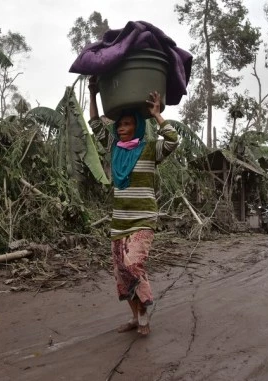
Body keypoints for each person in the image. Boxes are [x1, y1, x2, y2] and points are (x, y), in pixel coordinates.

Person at [88, 76, 180, 335]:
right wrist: (94, 93)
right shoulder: (114, 149)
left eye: (127, 124)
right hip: (120, 221)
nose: (121, 129)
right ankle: (135, 317)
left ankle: (144, 314)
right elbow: (95, 124)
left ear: (137, 126)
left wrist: (157, 114)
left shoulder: (150, 149)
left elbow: (173, 140)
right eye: (120, 125)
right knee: (120, 271)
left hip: (143, 219)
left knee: (132, 265)